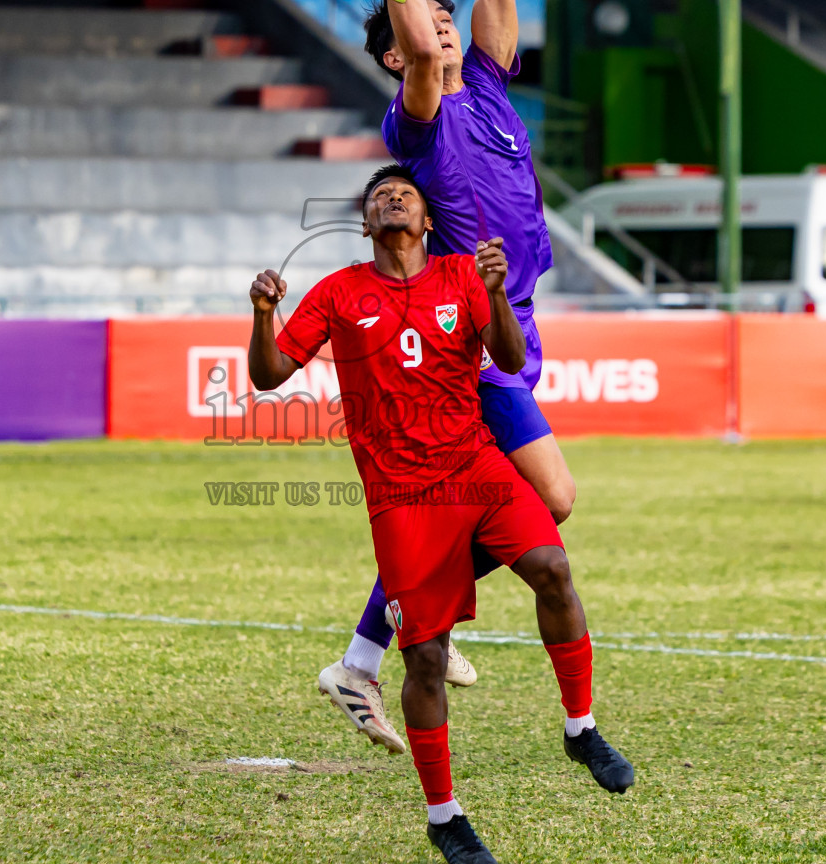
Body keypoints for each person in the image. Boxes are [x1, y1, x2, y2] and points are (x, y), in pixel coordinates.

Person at [248, 169, 634, 864]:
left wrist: (493, 294)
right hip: (402, 497)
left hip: (475, 468)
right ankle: (444, 815)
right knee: (425, 657)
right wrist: (262, 314)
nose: (391, 200)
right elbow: (270, 374)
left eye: (405, 196)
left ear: (427, 221)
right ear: (366, 226)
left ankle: (581, 729)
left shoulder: (461, 276)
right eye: (378, 199)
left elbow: (510, 360)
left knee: (553, 566)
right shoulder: (338, 291)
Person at [315, 0, 582, 755]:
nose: (438, 21)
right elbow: (428, 54)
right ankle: (376, 647)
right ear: (396, 53)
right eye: (419, 18)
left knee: (486, 501)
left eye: (439, 9)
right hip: (469, 333)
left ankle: (367, 653)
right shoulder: (415, 115)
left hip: (520, 321)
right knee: (551, 497)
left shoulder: (497, 85)